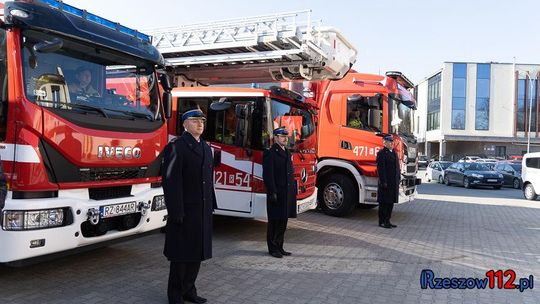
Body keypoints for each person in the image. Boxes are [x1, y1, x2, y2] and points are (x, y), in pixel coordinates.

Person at [162, 108, 216, 304]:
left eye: (202, 120)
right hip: (184, 211)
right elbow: (171, 181)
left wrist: (212, 203)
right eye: (194, 120)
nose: (200, 124)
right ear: (185, 124)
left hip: (201, 210)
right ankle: (175, 295)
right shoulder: (177, 147)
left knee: (196, 254)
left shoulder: (205, 147)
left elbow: (207, 180)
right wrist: (176, 210)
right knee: (181, 256)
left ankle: (189, 291)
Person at [262, 127, 297, 258]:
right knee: (274, 222)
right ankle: (272, 248)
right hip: (277, 193)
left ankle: (280, 246)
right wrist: (272, 192)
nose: (285, 138)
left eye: (286, 136)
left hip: (286, 193)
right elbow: (268, 175)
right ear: (276, 138)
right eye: (282, 136)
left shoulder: (287, 152)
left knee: (283, 221)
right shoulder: (271, 153)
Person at [376, 135, 400, 229]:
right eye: (389, 142)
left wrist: (398, 178)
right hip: (385, 183)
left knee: (390, 203)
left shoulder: (394, 153)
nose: (391, 143)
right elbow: (381, 169)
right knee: (384, 203)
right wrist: (383, 181)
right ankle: (382, 221)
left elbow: (397, 167)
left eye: (392, 142)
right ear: (384, 143)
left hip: (393, 183)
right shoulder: (381, 153)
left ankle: (388, 221)